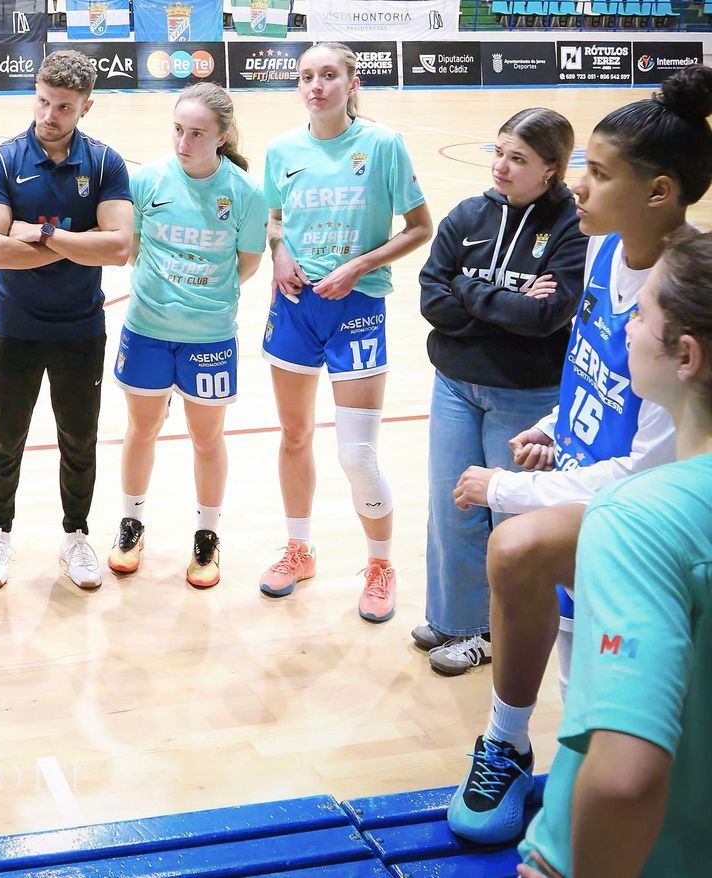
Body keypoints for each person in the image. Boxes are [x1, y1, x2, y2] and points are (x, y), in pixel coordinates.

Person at [444, 67, 710, 848]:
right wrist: (560, 425)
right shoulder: (605, 253)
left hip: (635, 511)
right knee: (564, 650)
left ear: (659, 192)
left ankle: (558, 784)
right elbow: (593, 367)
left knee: (522, 558)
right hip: (589, 480)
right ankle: (510, 743)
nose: (581, 187)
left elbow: (648, 477)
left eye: (598, 171)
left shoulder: (679, 297)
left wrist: (508, 486)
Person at [515, 229, 712, 878]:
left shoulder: (635, 519)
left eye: (643, 311)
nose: (625, 322)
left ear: (685, 356)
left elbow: (625, 780)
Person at [258, 41, 432, 623]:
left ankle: (381, 564)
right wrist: (279, 252)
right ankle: (298, 548)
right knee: (293, 435)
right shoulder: (282, 149)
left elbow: (419, 228)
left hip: (357, 306)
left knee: (357, 452)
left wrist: (360, 265)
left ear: (351, 83)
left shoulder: (382, 145)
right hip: (294, 307)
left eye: (328, 75)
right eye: (306, 76)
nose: (316, 86)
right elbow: (274, 218)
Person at [414, 108, 586, 676]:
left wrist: (467, 289)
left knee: (511, 518)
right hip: (455, 384)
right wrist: (500, 304)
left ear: (552, 170)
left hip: (525, 396)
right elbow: (431, 298)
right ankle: (456, 620)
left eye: (518, 159)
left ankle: (495, 631)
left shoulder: (570, 229)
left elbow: (545, 318)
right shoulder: (468, 215)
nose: (501, 167)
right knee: (452, 505)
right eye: (499, 152)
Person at [0, 49, 131, 591]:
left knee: (79, 440)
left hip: (80, 329)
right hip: (13, 326)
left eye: (63, 106)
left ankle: (76, 535)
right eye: (43, 100)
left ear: (86, 106)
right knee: (4, 438)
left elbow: (118, 249)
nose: (49, 114)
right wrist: (78, 245)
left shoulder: (106, 163)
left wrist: (39, 234)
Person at [110, 82, 266, 588]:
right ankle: (131, 523)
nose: (183, 142)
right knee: (142, 429)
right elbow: (132, 247)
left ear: (221, 137)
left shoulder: (244, 194)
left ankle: (207, 535)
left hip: (209, 336)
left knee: (207, 438)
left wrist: (202, 295)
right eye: (178, 130)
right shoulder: (148, 180)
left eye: (197, 133)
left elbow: (246, 264)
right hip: (148, 329)